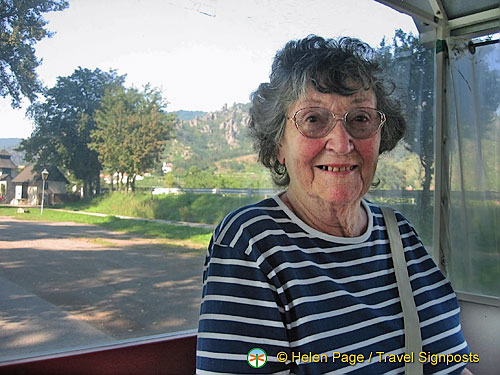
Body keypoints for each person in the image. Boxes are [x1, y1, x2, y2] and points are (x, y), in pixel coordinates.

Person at [196, 35, 472, 374]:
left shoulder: (399, 232)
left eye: (360, 119)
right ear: (278, 143)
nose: (342, 144)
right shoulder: (250, 243)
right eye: (313, 120)